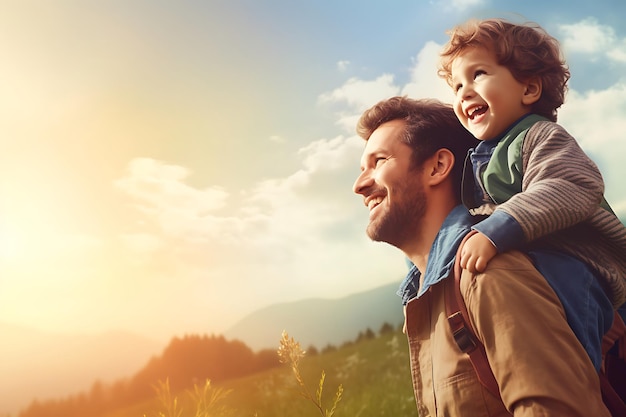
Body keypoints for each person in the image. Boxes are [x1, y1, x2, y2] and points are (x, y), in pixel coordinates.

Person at [352, 96, 611, 416]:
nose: (359, 185)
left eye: (379, 161)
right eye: (363, 168)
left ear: (437, 167)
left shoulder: (485, 273)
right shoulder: (431, 292)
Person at [437, 18, 626, 313]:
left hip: (584, 264)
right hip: (538, 260)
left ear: (529, 90)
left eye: (478, 74)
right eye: (458, 85)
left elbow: (570, 186)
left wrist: (496, 229)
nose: (464, 92)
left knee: (567, 330)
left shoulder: (539, 136)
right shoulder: (481, 156)